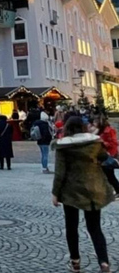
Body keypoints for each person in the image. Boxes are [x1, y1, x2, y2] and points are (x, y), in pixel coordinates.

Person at [52, 116, 113, 273]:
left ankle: (75, 262)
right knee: (95, 227)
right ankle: (104, 262)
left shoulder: (63, 146)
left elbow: (60, 172)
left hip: (70, 191)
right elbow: (105, 158)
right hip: (93, 188)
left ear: (67, 128)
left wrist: (55, 193)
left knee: (71, 227)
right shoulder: (94, 142)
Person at [93, 115, 119, 197]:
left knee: (109, 175)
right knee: (107, 175)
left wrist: (102, 142)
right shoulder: (100, 131)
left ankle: (117, 190)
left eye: (95, 122)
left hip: (108, 155)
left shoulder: (109, 130)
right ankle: (113, 190)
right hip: (103, 155)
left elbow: (114, 143)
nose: (94, 124)